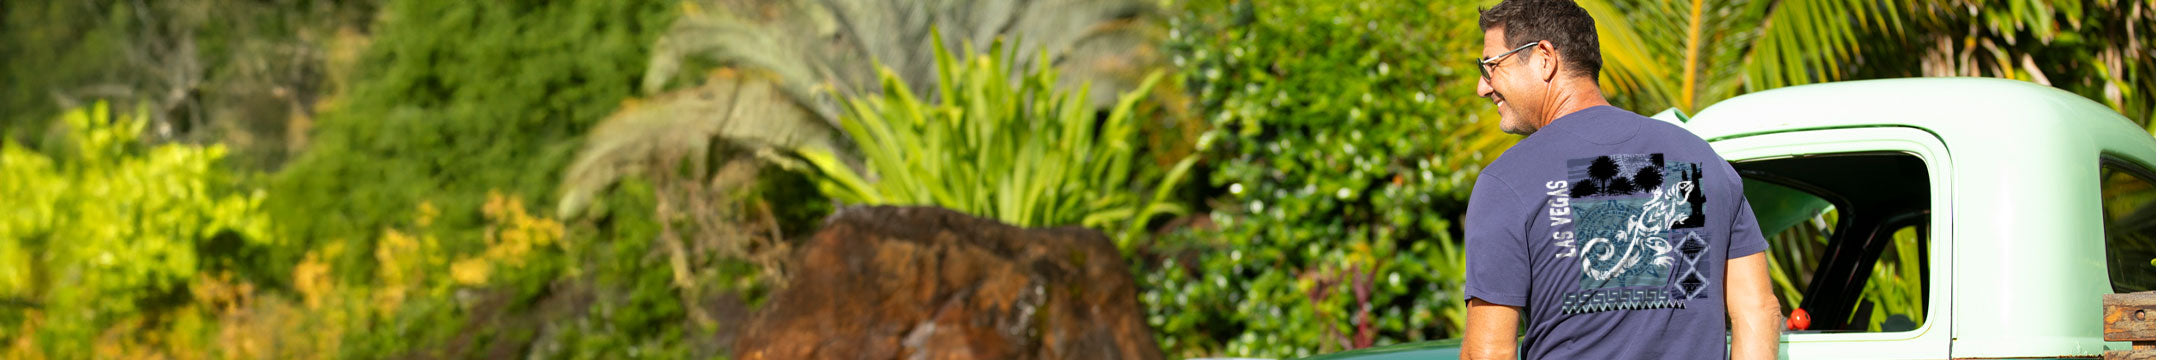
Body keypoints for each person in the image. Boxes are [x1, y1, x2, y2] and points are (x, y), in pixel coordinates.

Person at [1458, 0, 1783, 359]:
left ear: (1544, 58)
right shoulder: (1702, 160)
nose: (1483, 87)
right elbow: (1758, 311)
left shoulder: (1507, 181)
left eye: (1490, 66)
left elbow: (1486, 353)